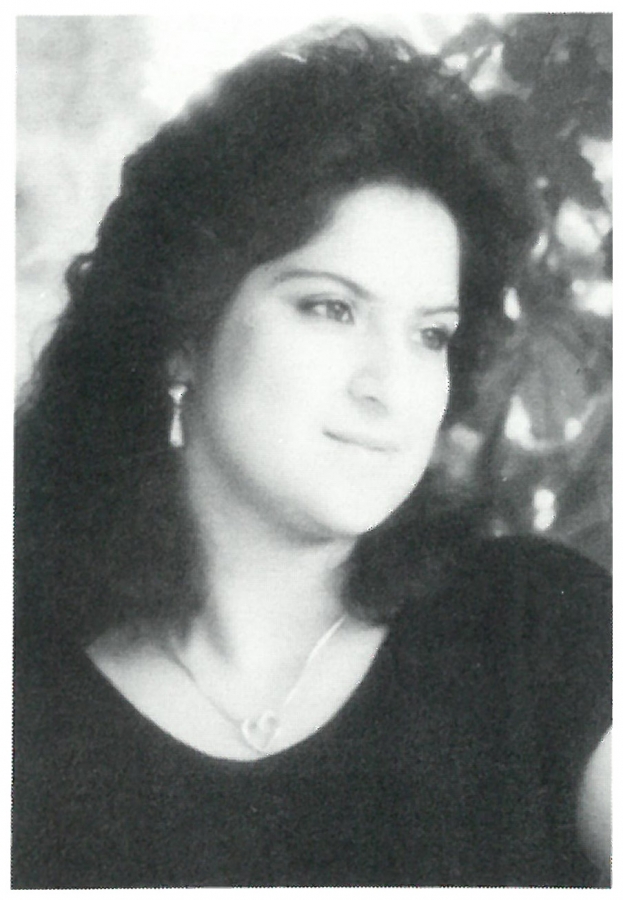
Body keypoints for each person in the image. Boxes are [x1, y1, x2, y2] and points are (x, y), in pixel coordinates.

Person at [12, 25, 611, 888]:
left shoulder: (536, 631)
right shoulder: (23, 684)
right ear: (184, 330)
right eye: (331, 308)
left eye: (430, 335)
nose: (388, 387)